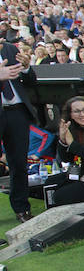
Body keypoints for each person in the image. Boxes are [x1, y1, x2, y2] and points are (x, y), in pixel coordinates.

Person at [0, 42, 37, 223]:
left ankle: (22, 208)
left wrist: (27, 68)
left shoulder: (10, 49)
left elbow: (30, 82)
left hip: (17, 112)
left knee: (19, 163)